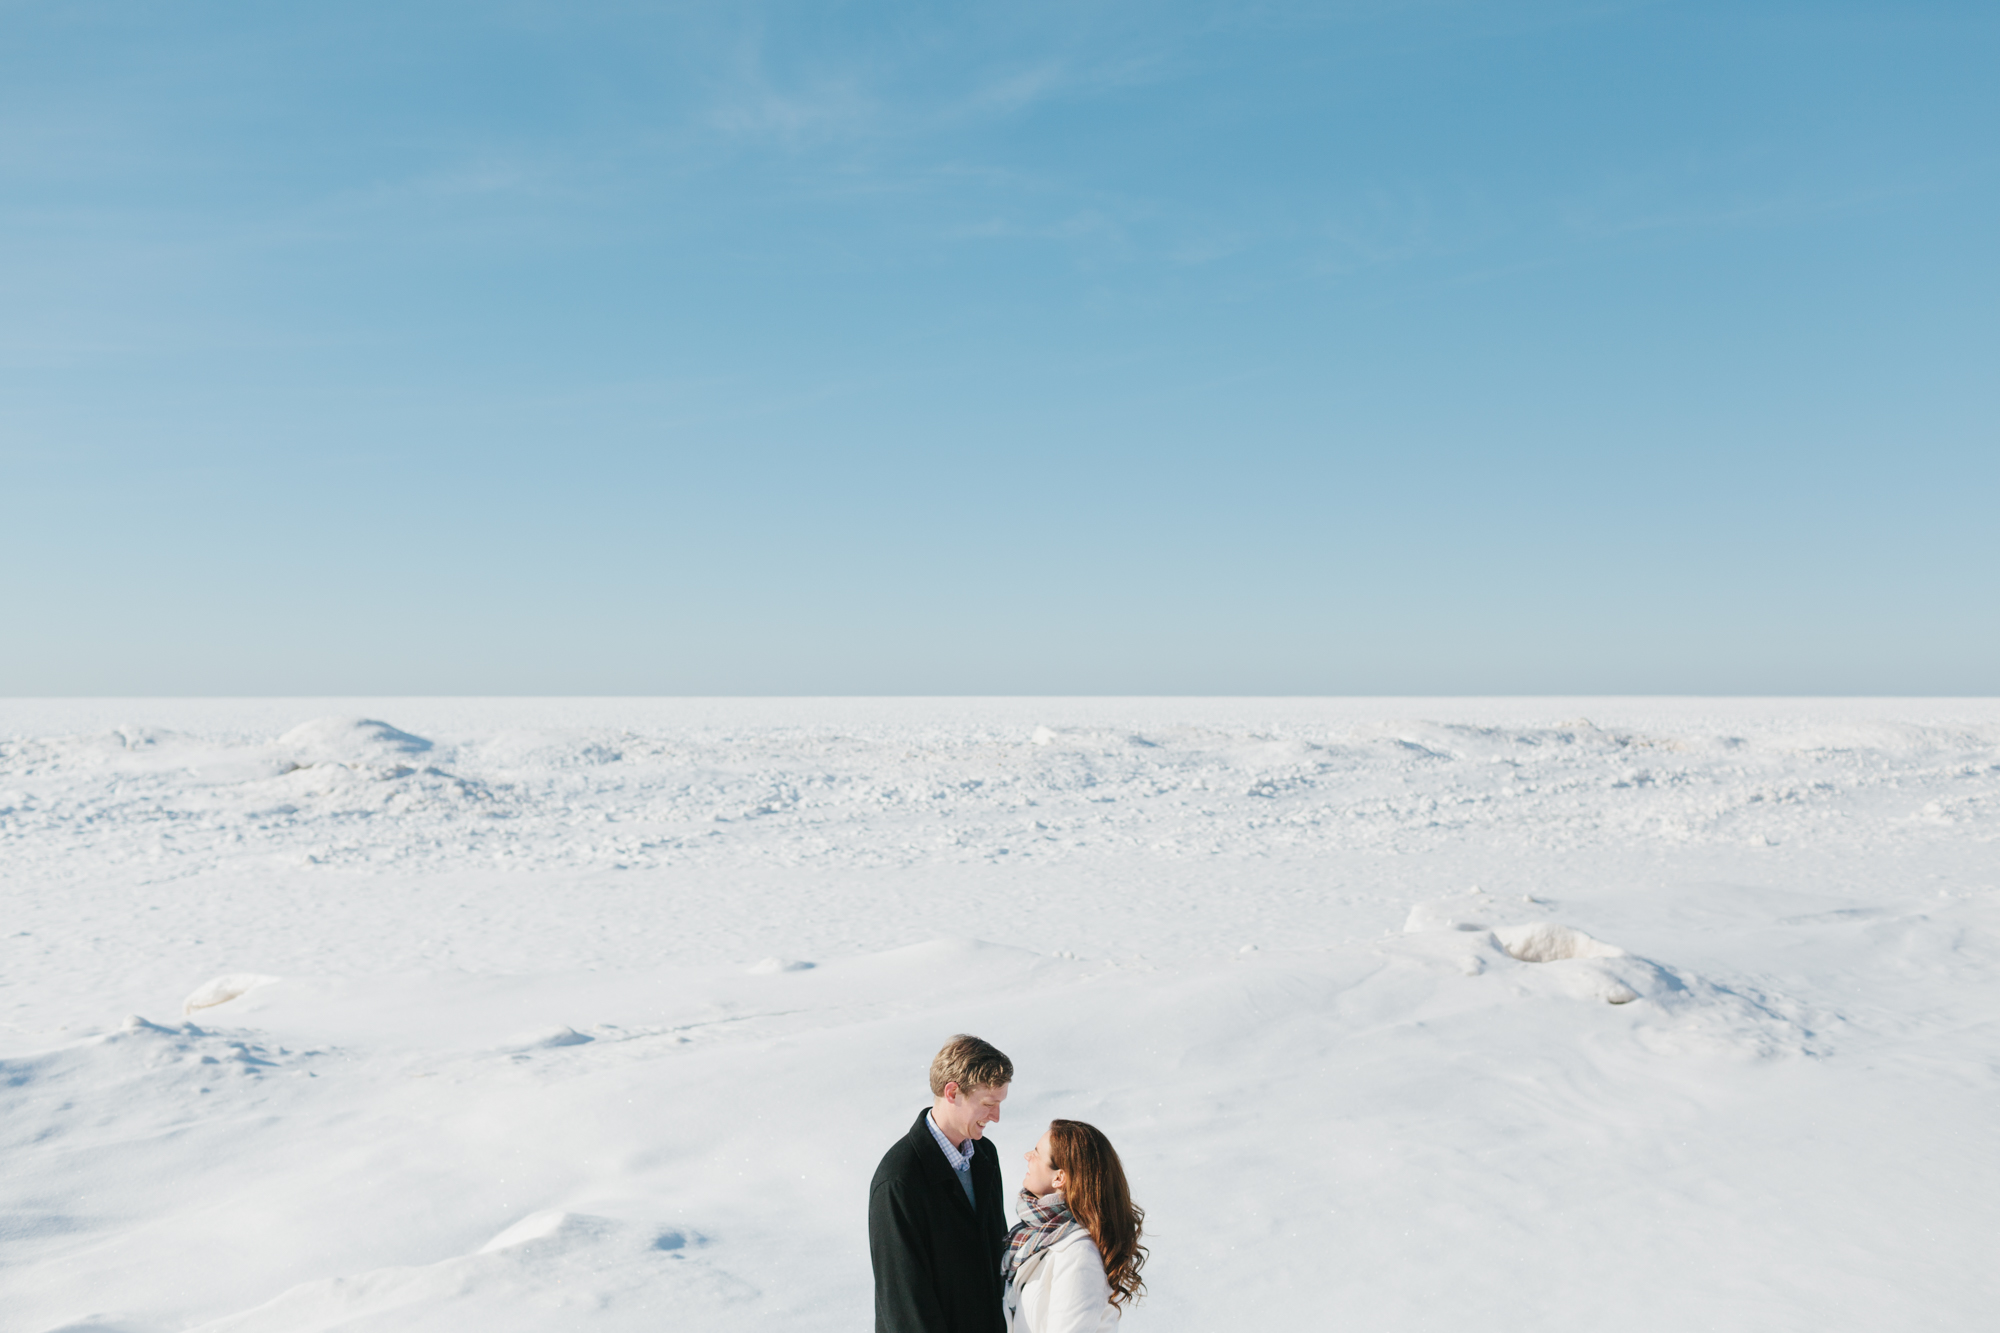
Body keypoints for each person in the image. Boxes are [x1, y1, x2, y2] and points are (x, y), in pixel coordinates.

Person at [870, 1034, 1016, 1333]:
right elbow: (905, 1304)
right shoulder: (900, 1179)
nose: (996, 1117)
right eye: (988, 1103)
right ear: (952, 1092)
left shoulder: (985, 1156)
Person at [1001, 1120, 1146, 1333]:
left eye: (1036, 1153)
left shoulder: (1078, 1255)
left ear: (1060, 1177)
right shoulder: (1039, 1239)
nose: (1027, 1156)